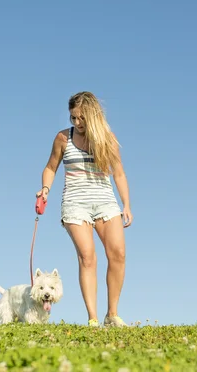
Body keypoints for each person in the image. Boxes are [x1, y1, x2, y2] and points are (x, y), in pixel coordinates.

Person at [36, 91, 133, 327]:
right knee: (88, 257)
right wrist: (45, 189)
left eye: (81, 118)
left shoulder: (107, 138)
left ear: (92, 115)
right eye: (73, 118)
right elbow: (50, 167)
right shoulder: (63, 138)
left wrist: (126, 204)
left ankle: (112, 315)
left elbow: (118, 173)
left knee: (118, 254)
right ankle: (92, 319)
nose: (77, 123)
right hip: (75, 202)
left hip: (105, 200)